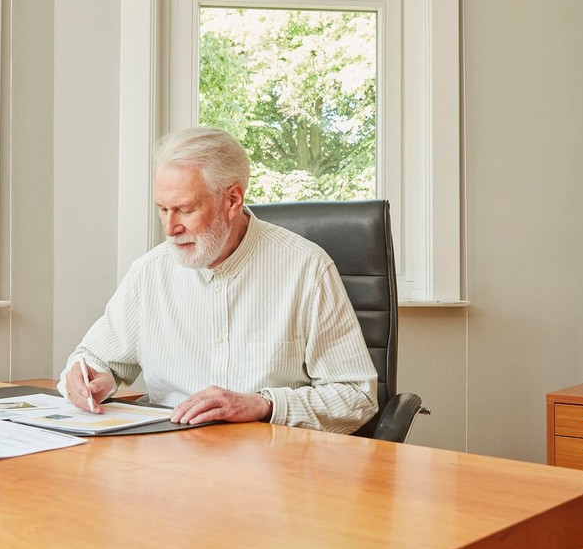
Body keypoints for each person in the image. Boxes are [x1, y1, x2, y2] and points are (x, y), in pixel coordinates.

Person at [58, 127, 378, 433]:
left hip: (270, 455)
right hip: (169, 455)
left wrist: (263, 404)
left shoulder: (307, 269)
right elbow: (94, 358)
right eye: (163, 209)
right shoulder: (149, 273)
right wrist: (89, 378)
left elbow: (357, 397)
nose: (170, 228)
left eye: (185, 209)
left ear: (232, 200)